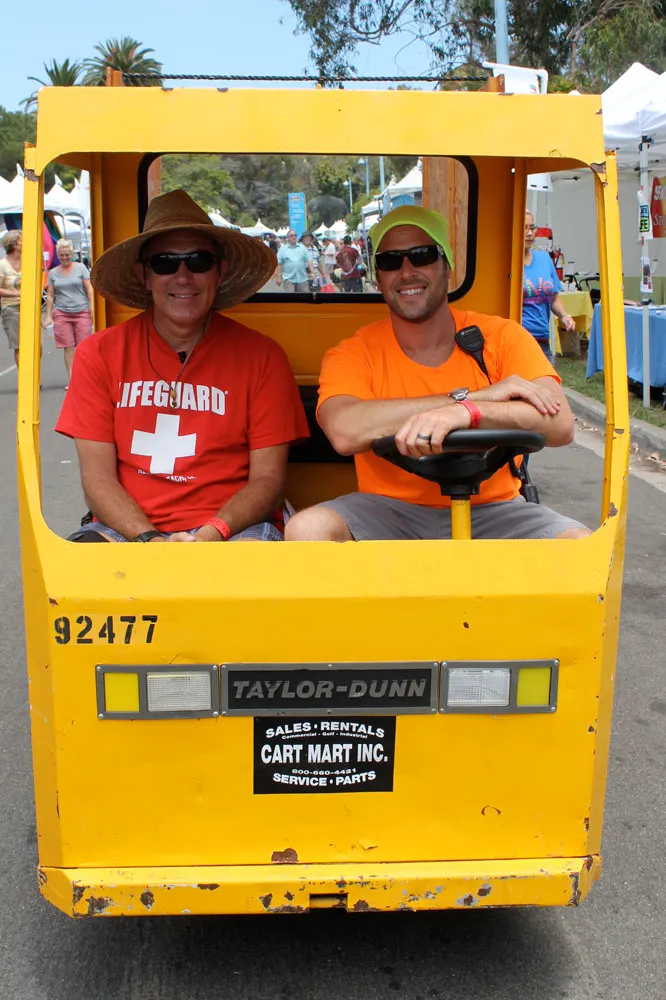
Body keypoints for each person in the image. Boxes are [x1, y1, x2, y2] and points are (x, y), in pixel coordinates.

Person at [285, 205, 589, 543]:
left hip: (496, 509)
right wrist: (470, 399)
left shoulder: (504, 337)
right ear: (378, 277)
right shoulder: (354, 353)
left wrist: (469, 414)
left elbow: (560, 425)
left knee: (578, 545)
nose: (407, 272)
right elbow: (344, 431)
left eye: (422, 256)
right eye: (390, 261)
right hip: (386, 512)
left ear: (447, 267)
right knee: (307, 529)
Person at [55, 189, 309, 543]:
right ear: (144, 275)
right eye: (165, 263)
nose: (183, 275)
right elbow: (97, 479)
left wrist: (211, 534)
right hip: (126, 530)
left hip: (234, 528)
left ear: (219, 272)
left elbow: (268, 479)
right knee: (78, 571)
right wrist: (151, 540)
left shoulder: (262, 356)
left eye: (198, 261)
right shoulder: (97, 354)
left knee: (254, 573)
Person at [523, 211, 575, 362]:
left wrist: (564, 316)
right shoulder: (507, 261)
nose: (529, 233)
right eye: (524, 228)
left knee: (547, 376)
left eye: (532, 228)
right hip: (517, 339)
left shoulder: (544, 259)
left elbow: (553, 298)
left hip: (542, 338)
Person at [44, 239, 95, 381]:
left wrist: (92, 307)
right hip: (62, 312)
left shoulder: (81, 268)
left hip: (81, 311)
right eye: (61, 255)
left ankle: (85, 377)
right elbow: (50, 296)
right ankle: (73, 379)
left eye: (67, 255)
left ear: (71, 254)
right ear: (58, 255)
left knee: (84, 347)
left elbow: (89, 289)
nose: (64, 257)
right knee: (68, 347)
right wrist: (48, 316)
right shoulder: (53, 273)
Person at [0, 231, 22, 366]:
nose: (24, 243)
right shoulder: (2, 265)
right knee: (19, 345)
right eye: (21, 240)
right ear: (14, 244)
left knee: (36, 343)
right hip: (11, 308)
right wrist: (18, 294)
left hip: (29, 307)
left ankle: (35, 373)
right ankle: (24, 376)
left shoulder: (28, 260)